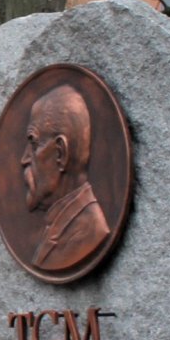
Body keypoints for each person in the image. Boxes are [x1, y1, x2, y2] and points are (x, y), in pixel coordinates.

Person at [20, 79, 110, 273]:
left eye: (33, 143)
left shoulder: (89, 231)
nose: (24, 159)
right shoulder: (57, 227)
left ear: (61, 153)